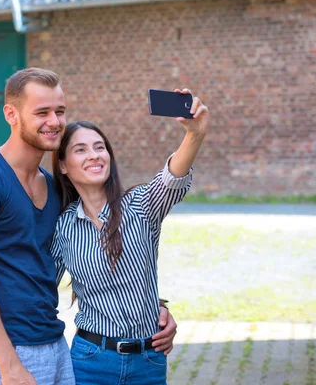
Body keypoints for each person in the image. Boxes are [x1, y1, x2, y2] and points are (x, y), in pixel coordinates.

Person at [0, 67, 178, 385]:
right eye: (42, 112)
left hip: (55, 343)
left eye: (60, 111)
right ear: (11, 114)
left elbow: (90, 255)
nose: (55, 121)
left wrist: (153, 306)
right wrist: (5, 361)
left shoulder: (54, 188)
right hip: (11, 354)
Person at [50, 91, 209, 385]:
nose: (94, 155)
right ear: (62, 165)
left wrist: (194, 134)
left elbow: (172, 179)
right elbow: (40, 288)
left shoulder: (141, 205)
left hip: (148, 359)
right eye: (81, 150)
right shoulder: (63, 226)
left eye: (100, 147)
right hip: (90, 361)